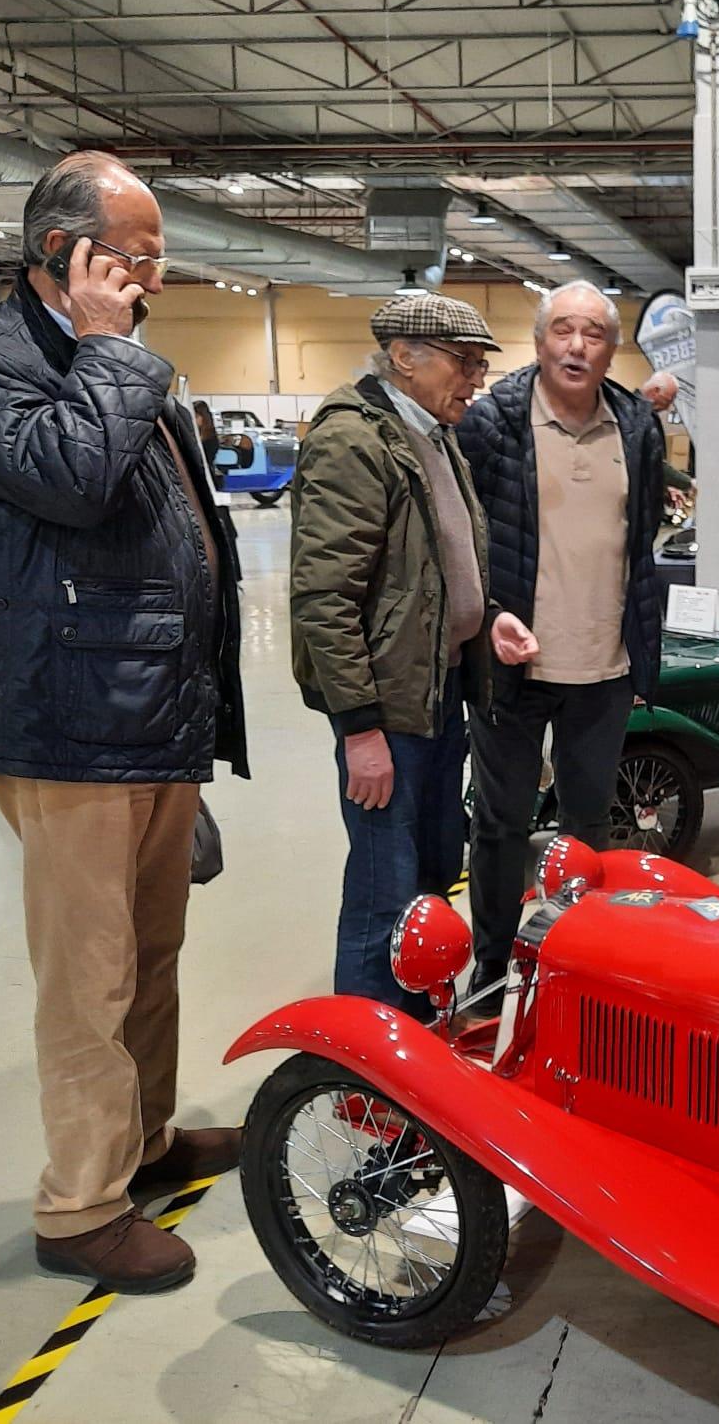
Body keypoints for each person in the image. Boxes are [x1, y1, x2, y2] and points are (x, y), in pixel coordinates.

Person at [0, 150, 248, 1296]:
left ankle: (143, 1145)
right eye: (133, 256)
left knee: (150, 956)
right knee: (89, 979)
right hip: (66, 720)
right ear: (63, 253)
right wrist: (113, 350)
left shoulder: (106, 361)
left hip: (144, 710)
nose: (149, 279)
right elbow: (69, 478)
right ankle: (79, 1207)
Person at [291, 293, 535, 1022]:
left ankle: (419, 1037)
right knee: (383, 890)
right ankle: (372, 1079)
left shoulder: (431, 436)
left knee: (430, 881)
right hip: (389, 714)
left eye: (481, 364)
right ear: (404, 356)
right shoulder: (354, 441)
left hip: (439, 694)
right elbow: (324, 597)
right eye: (464, 362)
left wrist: (486, 619)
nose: (476, 378)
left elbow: (433, 573)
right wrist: (361, 728)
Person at [458, 280, 664, 1005]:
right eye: (563, 331)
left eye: (595, 334)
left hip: (604, 667)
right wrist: (485, 618)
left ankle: (579, 962)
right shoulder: (493, 424)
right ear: (541, 340)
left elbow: (642, 548)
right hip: (514, 666)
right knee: (500, 824)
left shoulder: (638, 427)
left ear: (613, 349)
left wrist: (644, 652)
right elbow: (462, 541)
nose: (578, 346)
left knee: (588, 825)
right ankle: (489, 969)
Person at [639, 369, 694, 516]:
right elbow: (650, 462)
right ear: (655, 391)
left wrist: (664, 488)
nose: (669, 407)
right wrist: (689, 483)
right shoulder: (637, 417)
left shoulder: (647, 416)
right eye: (668, 400)